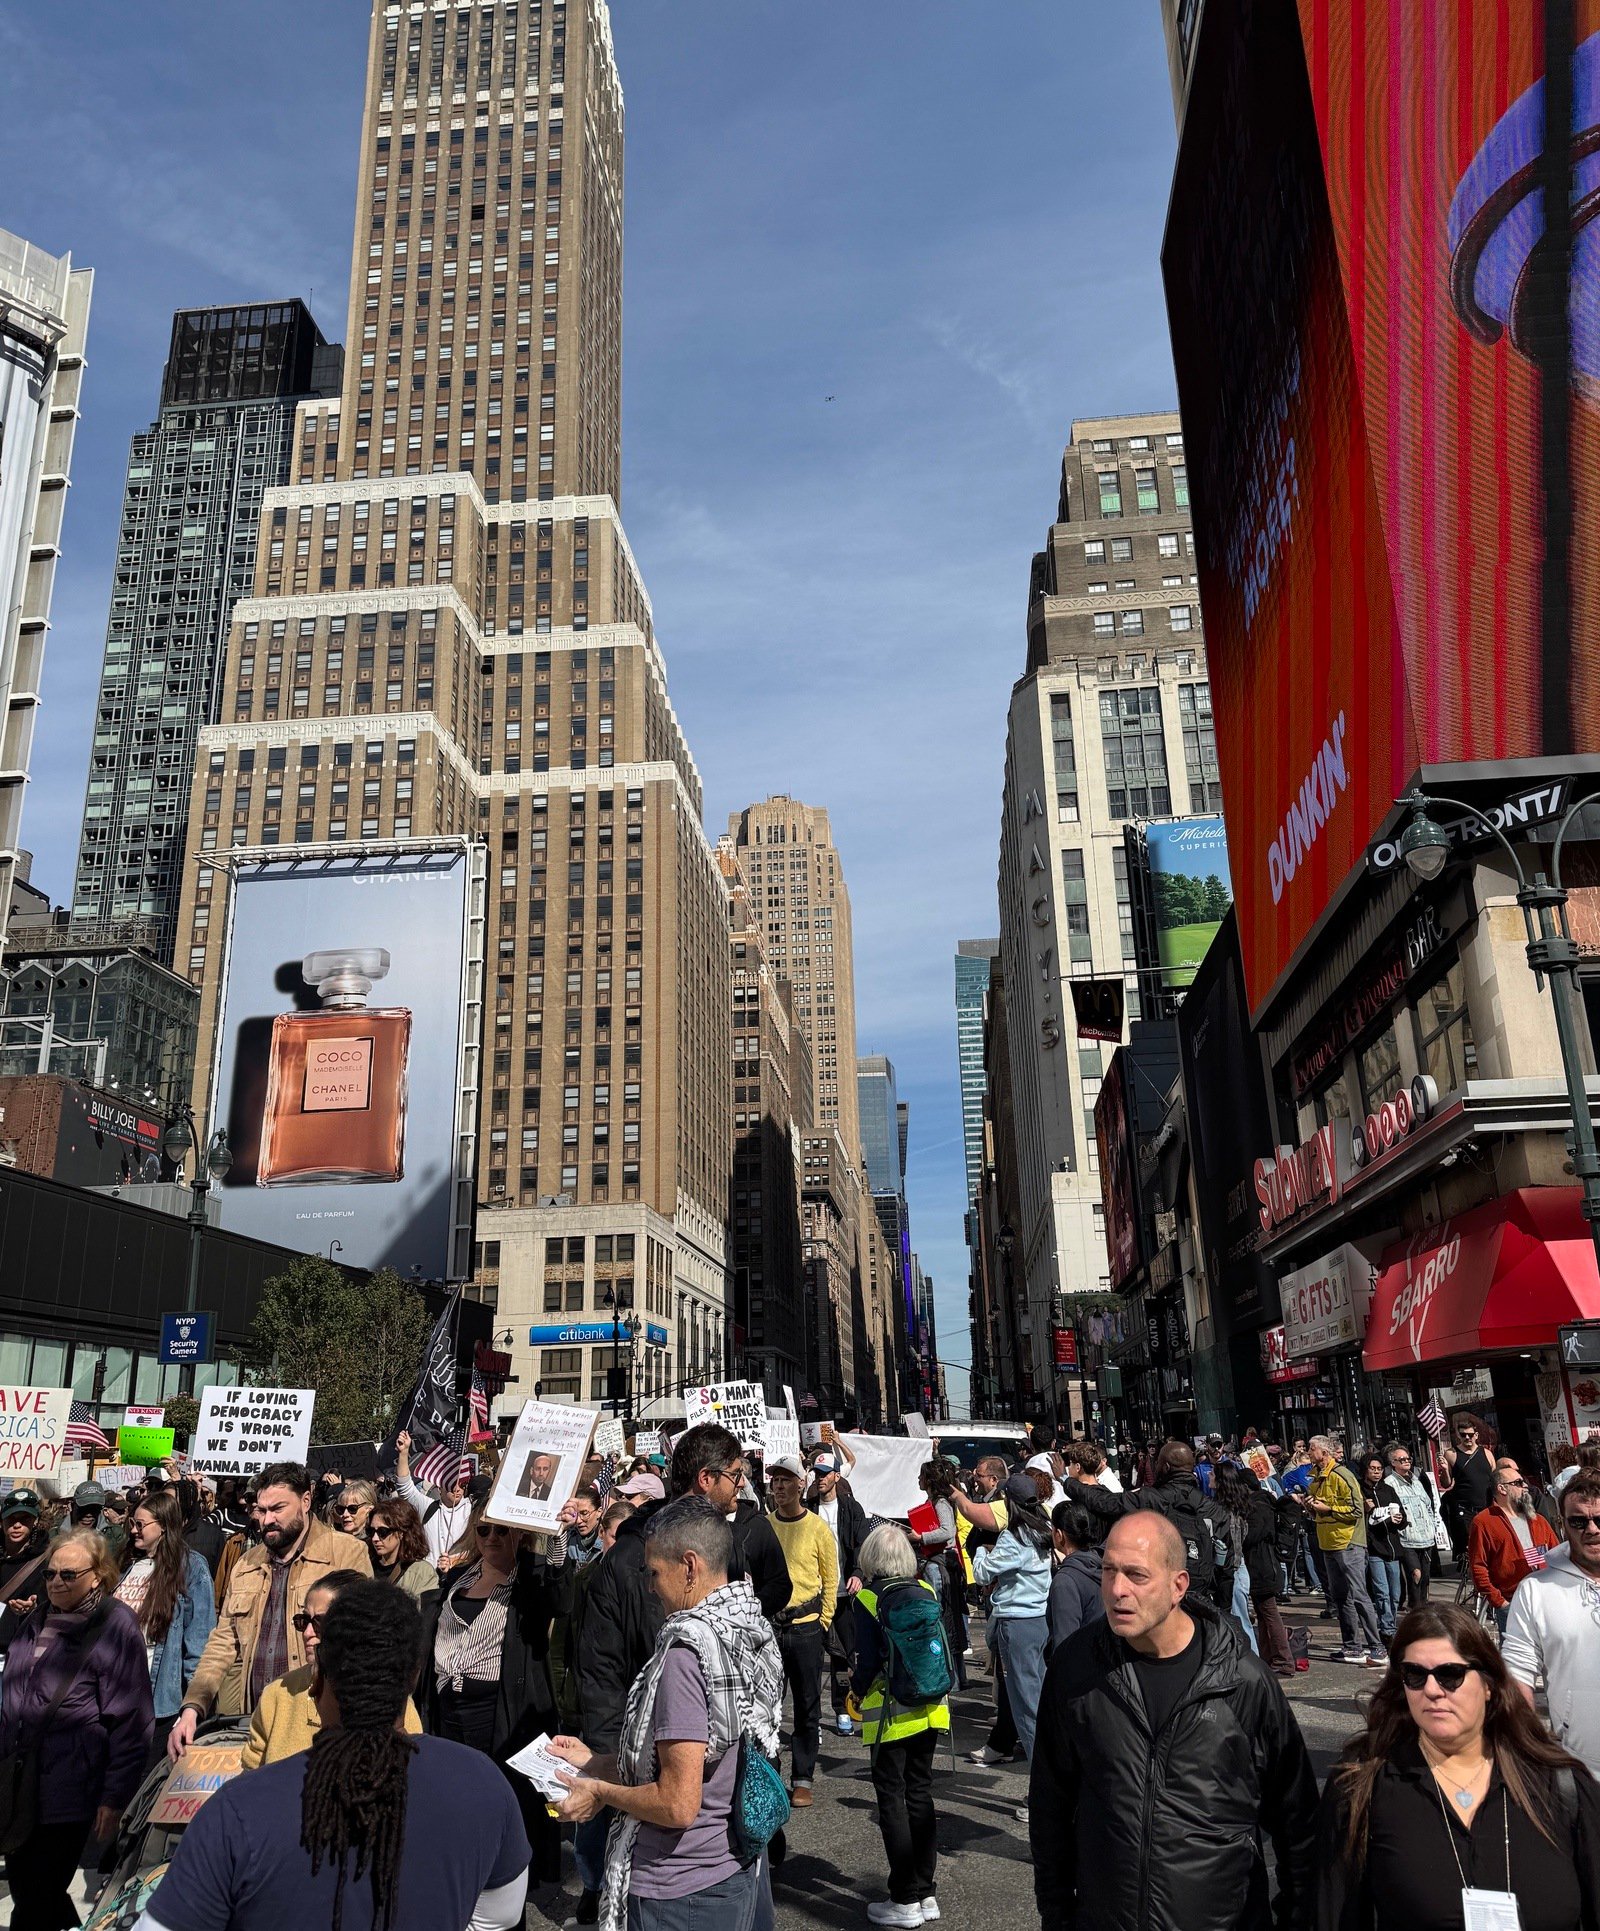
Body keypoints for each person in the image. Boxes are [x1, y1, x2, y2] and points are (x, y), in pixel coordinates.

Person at [136, 1580, 531, 1931]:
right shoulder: (483, 1784)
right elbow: (500, 1916)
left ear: (319, 1678)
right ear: (412, 1679)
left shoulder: (237, 1813)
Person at [1030, 1512, 1318, 1931]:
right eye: (1108, 1571)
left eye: (1136, 1575)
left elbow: (1299, 1824)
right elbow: (1050, 1804)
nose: (1117, 1590)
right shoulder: (1075, 1667)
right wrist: (1056, 1915)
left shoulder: (1242, 1680)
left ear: (1178, 1586)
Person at [550, 1497, 784, 1931]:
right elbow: (686, 1764)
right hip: (728, 1866)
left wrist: (599, 1791)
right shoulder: (744, 1625)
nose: (650, 1586)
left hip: (681, 1888)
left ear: (689, 1567)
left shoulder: (686, 1655)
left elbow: (676, 1804)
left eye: (654, 1572)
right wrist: (590, 1761)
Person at [1315, 1602, 1600, 1930]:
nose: (1432, 1690)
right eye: (1415, 1675)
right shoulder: (1363, 1788)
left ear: (1489, 1684)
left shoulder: (1561, 1785)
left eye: (1450, 1674)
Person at [578, 1424, 789, 1757]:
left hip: (727, 1752)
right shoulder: (625, 1558)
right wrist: (617, 1762)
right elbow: (601, 1671)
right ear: (706, 1479)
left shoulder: (729, 1546)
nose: (743, 1483)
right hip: (654, 1752)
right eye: (735, 1474)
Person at [0, 1528, 154, 1931]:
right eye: (51, 1574)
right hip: (20, 1785)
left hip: (72, 1788)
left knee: (35, 1898)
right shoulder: (36, 1617)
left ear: (97, 1575)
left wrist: (114, 1796)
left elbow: (131, 1720)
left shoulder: (116, 1625)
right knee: (31, 1892)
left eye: (68, 1575)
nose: (56, 1582)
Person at [167, 1460, 370, 1757]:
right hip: (253, 1725)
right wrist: (192, 1708)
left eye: (277, 1509)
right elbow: (223, 1642)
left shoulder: (346, 1553)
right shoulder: (246, 1563)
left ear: (305, 1501)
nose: (266, 1520)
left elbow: (364, 1642)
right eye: (261, 1510)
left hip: (317, 1723)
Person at [420, 1509, 565, 1887]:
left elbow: (561, 1600)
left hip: (500, 1710)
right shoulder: (458, 1575)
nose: (492, 1537)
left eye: (502, 1530)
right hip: (448, 1707)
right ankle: (466, 1868)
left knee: (504, 1795)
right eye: (484, 1529)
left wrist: (559, 1540)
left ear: (519, 1533)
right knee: (456, 1794)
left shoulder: (531, 1577)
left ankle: (509, 1876)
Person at [851, 1523, 951, 1927]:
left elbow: (866, 1661)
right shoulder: (925, 1591)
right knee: (921, 1794)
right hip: (931, 1704)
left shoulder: (868, 1599)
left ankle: (904, 1898)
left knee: (891, 1799)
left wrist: (856, 1692)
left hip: (890, 1714)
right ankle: (925, 1892)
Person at [242, 1566, 422, 1768]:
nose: (308, 1632)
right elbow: (252, 1772)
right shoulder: (276, 1694)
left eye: (321, 1621)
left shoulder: (392, 1703)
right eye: (304, 1621)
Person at [1505, 1470, 1600, 1776]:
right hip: (1584, 1772)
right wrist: (1532, 1750)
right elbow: (1517, 1675)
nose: (1593, 1529)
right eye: (1579, 1521)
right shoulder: (1536, 1590)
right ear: (1562, 1524)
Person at [115, 1488, 217, 1760]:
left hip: (155, 1700)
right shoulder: (124, 1563)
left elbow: (198, 1642)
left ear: (163, 1527)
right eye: (132, 1523)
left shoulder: (191, 1567)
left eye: (141, 1524)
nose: (134, 1530)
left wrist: (191, 1708)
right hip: (111, 1695)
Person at [765, 1453, 836, 1806]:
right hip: (771, 1629)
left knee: (808, 1706)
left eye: (785, 1480)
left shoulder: (817, 1527)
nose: (779, 1486)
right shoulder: (764, 1525)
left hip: (807, 1628)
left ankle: (803, 1776)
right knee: (769, 1704)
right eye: (775, 1480)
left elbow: (830, 1577)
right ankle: (770, 1771)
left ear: (800, 1485)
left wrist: (823, 1621)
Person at [971, 1471, 1052, 1775]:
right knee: (1039, 1700)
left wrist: (980, 1551)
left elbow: (982, 1574)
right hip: (1039, 1619)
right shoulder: (1043, 1527)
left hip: (1016, 1623)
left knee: (1025, 1707)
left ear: (1008, 1501)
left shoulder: (1014, 1535)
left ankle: (1041, 1787)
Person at [1302, 1435, 1384, 1665]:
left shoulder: (1342, 1475)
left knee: (1359, 1595)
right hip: (1328, 1543)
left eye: (1312, 1448)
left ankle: (1376, 1647)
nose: (1309, 1452)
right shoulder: (1316, 1477)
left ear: (1324, 1452)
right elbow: (1319, 1512)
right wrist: (1311, 1508)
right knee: (1341, 1598)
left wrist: (1328, 1508)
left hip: (1349, 1543)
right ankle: (1352, 1647)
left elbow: (1357, 1509)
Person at [806, 1450, 868, 1736]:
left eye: (824, 1474)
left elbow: (862, 1546)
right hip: (814, 1595)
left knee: (844, 1655)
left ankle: (843, 1708)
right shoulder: (807, 1507)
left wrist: (857, 1573)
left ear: (836, 1476)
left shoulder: (851, 1508)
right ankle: (812, 1717)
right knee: (812, 1656)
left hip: (844, 1595)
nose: (819, 1479)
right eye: (816, 1474)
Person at [1217, 1463, 1294, 1677]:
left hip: (1262, 1566)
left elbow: (1251, 1536)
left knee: (1268, 1612)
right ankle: (1269, 1657)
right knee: (1263, 1613)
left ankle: (1283, 1659)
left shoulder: (1259, 1506)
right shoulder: (1259, 1504)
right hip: (1261, 1565)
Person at [1467, 1457, 1559, 1634]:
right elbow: (1478, 1567)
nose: (1525, 1486)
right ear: (1502, 1488)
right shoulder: (1484, 1522)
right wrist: (1500, 1602)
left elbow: (1556, 1555)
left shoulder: (1537, 1519)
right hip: (1512, 1603)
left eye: (1523, 1482)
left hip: (1546, 1601)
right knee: (1517, 1658)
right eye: (1518, 1483)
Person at [395, 1428, 474, 1564]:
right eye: (451, 1483)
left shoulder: (472, 1509)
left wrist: (454, 1561)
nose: (457, 1488)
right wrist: (403, 1453)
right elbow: (405, 1488)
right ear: (439, 1486)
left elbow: (478, 1549)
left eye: (462, 1483)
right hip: (429, 1579)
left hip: (460, 1579)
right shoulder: (429, 1507)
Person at [1384, 1442, 1441, 1611]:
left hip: (1426, 1537)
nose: (1406, 1462)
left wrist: (1432, 1526)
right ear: (1393, 1463)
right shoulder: (1389, 1483)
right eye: (1401, 1460)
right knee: (1415, 1574)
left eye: (1408, 1459)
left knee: (1425, 1578)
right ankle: (1416, 1610)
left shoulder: (1416, 1480)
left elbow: (1428, 1505)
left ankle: (1422, 1609)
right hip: (1407, 1538)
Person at [1359, 1450, 1408, 1641]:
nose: (1376, 1472)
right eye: (1372, 1469)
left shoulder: (1388, 1490)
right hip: (1374, 1548)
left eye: (1379, 1469)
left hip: (1393, 1548)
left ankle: (1390, 1622)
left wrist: (1400, 1519)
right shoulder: (1361, 1491)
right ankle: (1386, 1628)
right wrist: (1366, 1509)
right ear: (1365, 1470)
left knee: (1395, 1593)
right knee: (1382, 1592)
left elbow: (1402, 1515)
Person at [1045, 1500, 1104, 1656]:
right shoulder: (1102, 1565)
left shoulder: (1066, 1581)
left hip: (1079, 1669)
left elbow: (1065, 1642)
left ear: (1059, 1535)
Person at [1440, 1412, 1498, 1559]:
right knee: (1470, 1545)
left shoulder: (1487, 1453)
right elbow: (1446, 1484)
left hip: (1486, 1507)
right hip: (1464, 1509)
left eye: (1470, 1435)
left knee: (1489, 1542)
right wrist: (1445, 1470)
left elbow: (1495, 1479)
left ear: (1476, 1435)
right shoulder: (1451, 1454)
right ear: (1458, 1436)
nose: (1467, 1438)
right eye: (1463, 1435)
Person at [364, 1495, 439, 1604]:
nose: (375, 1538)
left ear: (401, 1533)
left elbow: (423, 1615)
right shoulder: (364, 1564)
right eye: (371, 1532)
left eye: (382, 1532)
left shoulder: (422, 1572)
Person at [0, 1488, 49, 1644]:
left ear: (35, 1521)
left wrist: (34, 1608)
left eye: (25, 1519)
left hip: (22, 1647)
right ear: (1, 1521)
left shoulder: (47, 1559)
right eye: (11, 1518)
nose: (17, 1525)